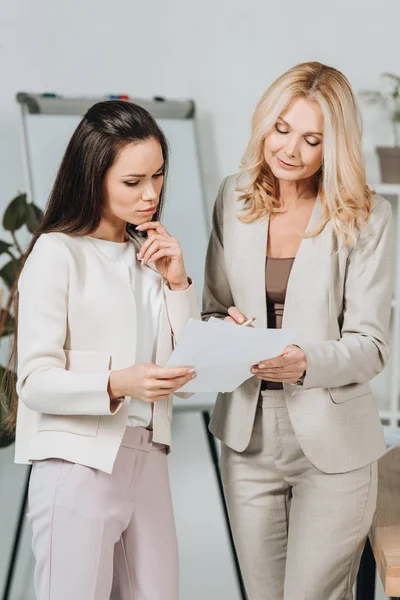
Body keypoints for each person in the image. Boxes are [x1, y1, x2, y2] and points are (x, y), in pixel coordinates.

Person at [202, 62, 393, 600]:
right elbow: (214, 308)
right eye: (282, 129)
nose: (290, 149)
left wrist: (305, 361)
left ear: (334, 147)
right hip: (248, 434)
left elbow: (372, 346)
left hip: (334, 442)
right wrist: (229, 328)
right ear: (265, 121)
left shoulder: (367, 216)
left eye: (312, 140)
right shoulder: (233, 197)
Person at [11, 100, 199, 600]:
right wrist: (119, 383)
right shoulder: (57, 253)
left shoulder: (153, 258)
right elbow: (32, 381)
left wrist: (178, 283)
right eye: (133, 182)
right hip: (78, 464)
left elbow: (191, 368)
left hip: (148, 458)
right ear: (94, 177)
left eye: (157, 176)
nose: (152, 194)